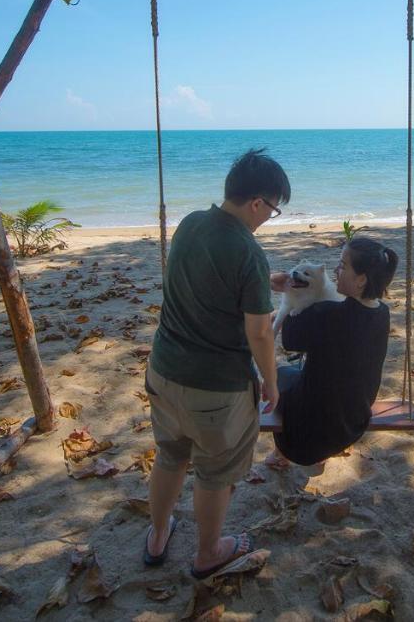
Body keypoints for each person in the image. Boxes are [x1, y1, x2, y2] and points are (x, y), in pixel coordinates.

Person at [142, 148, 288, 579]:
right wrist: (272, 382)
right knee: (214, 471)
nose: (269, 218)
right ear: (257, 202)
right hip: (215, 388)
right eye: (273, 209)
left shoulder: (190, 223)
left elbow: (204, 279)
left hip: (163, 370)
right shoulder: (248, 250)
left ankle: (156, 534)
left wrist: (263, 282)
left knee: (169, 456)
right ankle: (208, 552)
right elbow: (260, 333)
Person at [267, 236, 397, 474]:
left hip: (302, 440)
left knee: (279, 373)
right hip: (352, 424)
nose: (336, 270)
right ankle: (286, 455)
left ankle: (281, 454)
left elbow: (289, 341)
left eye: (343, 265)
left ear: (361, 279)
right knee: (305, 371)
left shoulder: (325, 314)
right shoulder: (382, 313)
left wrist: (287, 288)